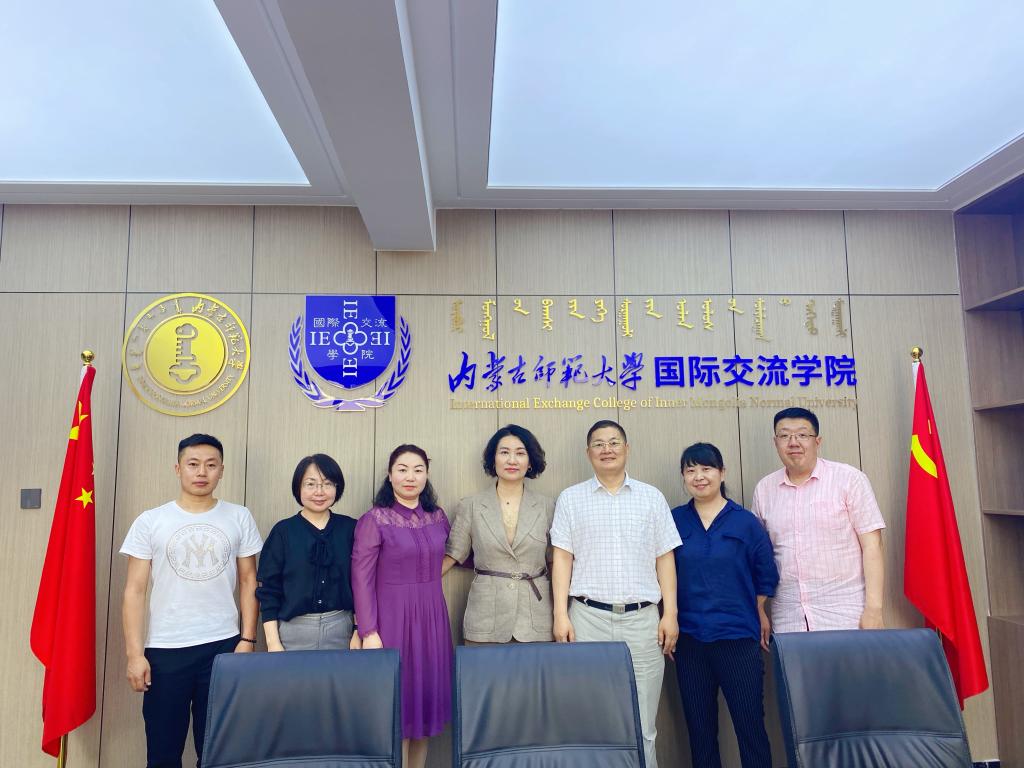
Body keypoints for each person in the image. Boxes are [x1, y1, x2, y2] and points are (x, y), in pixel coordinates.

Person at [120, 434, 263, 768]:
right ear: (178, 468)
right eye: (193, 464)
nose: (202, 472)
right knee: (162, 752)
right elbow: (134, 591)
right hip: (165, 649)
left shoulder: (239, 516)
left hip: (223, 647)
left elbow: (249, 580)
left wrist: (247, 639)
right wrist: (134, 655)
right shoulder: (151, 520)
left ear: (221, 470)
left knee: (216, 751)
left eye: (211, 465)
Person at [550, 419, 681, 768]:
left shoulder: (651, 497)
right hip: (587, 619)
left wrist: (670, 614)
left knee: (643, 724)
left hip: (643, 622)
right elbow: (562, 558)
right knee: (590, 718)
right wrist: (560, 614)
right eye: (598, 443)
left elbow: (665, 558)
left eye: (613, 442)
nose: (606, 449)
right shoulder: (571, 498)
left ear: (627, 449)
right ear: (588, 452)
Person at [672, 442, 778, 768]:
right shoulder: (673, 520)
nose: (699, 476)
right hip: (689, 640)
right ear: (683, 477)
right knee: (700, 732)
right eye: (691, 470)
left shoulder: (745, 522)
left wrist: (757, 609)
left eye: (706, 469)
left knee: (750, 727)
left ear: (722, 473)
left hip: (737, 638)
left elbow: (766, 575)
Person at [352, 445, 452, 768]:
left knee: (424, 709)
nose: (410, 477)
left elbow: (457, 552)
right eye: (402, 469)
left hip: (432, 620)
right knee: (398, 711)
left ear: (427, 474)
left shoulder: (437, 516)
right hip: (392, 621)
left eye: (418, 470)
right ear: (390, 474)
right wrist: (368, 631)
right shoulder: (374, 520)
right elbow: (361, 579)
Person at [751, 407, 886, 632]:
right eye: (784, 436)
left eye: (802, 435)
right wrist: (759, 607)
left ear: (817, 441)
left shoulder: (849, 479)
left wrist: (874, 609)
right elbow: (760, 556)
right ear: (775, 442)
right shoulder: (765, 489)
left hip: (845, 614)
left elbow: (873, 545)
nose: (793, 442)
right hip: (789, 617)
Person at [443, 424, 555, 643]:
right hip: (485, 618)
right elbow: (453, 554)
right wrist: (413, 584)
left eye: (520, 453)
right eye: (504, 452)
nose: (512, 460)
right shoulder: (471, 506)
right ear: (493, 459)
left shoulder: (547, 506)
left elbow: (556, 562)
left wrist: (561, 613)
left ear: (530, 462)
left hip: (536, 618)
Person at [256, 454, 359, 651]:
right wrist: (273, 642)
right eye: (310, 484)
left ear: (337, 488)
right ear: (298, 487)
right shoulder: (283, 532)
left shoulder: (351, 529)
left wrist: (357, 629)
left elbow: (361, 584)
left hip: (342, 631)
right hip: (293, 634)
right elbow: (269, 591)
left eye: (327, 484)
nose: (319, 492)